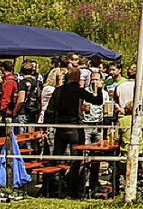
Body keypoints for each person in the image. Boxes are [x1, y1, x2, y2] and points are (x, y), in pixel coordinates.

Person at [44, 67, 103, 198]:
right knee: (76, 158)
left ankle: (51, 187)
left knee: (57, 157)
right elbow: (98, 101)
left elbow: (50, 110)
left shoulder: (58, 90)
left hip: (60, 126)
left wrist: (47, 127)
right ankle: (72, 189)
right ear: (77, 78)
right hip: (74, 126)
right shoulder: (78, 91)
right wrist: (99, 89)